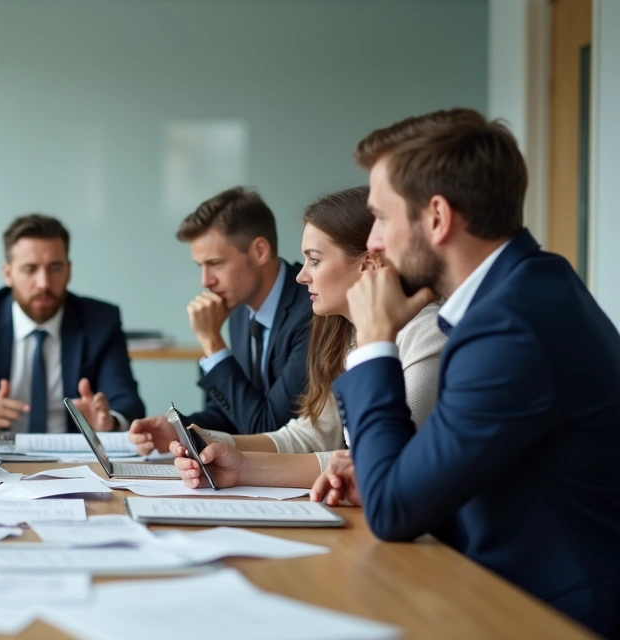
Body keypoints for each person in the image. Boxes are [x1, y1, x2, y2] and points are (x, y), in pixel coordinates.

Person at [318, 108, 620, 636]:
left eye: (382, 219)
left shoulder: (510, 326)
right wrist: (391, 477)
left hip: (552, 616)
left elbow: (392, 512)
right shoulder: (525, 289)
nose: (372, 243)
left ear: (437, 217)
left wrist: (374, 340)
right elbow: (440, 480)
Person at [145, 187, 443, 489]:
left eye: (314, 260)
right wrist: (210, 442)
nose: (302, 275)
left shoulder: (426, 333)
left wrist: (240, 463)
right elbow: (311, 436)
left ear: (368, 264)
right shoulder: (343, 330)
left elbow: (380, 463)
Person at [0, 214, 145, 436]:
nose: (44, 283)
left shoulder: (100, 321)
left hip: (73, 459)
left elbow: (128, 403)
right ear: (8, 274)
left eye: (55, 268)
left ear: (69, 270)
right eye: (30, 269)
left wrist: (109, 422)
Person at [129, 187, 312, 439]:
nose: (205, 281)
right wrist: (177, 430)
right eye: (200, 266)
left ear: (260, 251)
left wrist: (212, 342)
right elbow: (232, 414)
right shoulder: (240, 310)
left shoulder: (312, 310)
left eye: (215, 264)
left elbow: (269, 429)